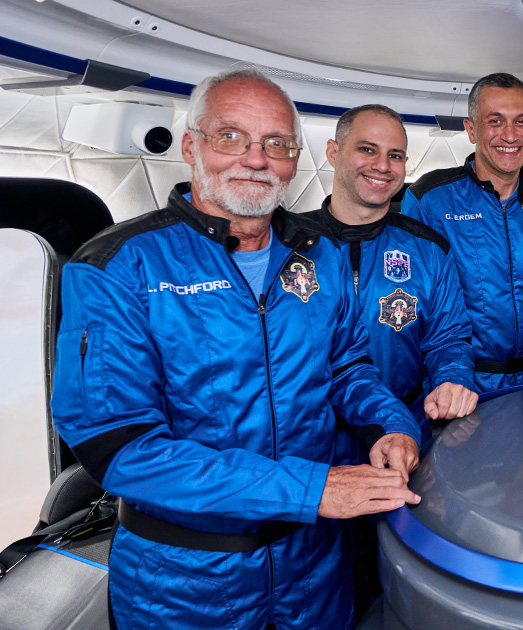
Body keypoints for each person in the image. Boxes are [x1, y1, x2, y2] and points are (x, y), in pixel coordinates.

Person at [50, 69, 423, 630]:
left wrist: (391, 426)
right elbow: (122, 449)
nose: (256, 158)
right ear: (191, 146)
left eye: (277, 143)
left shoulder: (318, 255)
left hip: (315, 566)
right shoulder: (118, 266)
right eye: (231, 137)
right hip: (185, 580)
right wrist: (312, 488)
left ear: (294, 160)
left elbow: (348, 366)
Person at [304, 104, 477, 444]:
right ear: (333, 153)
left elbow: (448, 338)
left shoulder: (428, 249)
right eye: (367, 149)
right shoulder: (289, 247)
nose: (383, 166)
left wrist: (452, 380)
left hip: (408, 430)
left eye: (395, 155)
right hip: (313, 440)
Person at [401, 73, 523, 392]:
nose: (510, 135)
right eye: (495, 121)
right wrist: (451, 377)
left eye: (520, 121)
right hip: (461, 381)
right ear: (471, 130)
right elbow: (421, 303)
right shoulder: (429, 199)